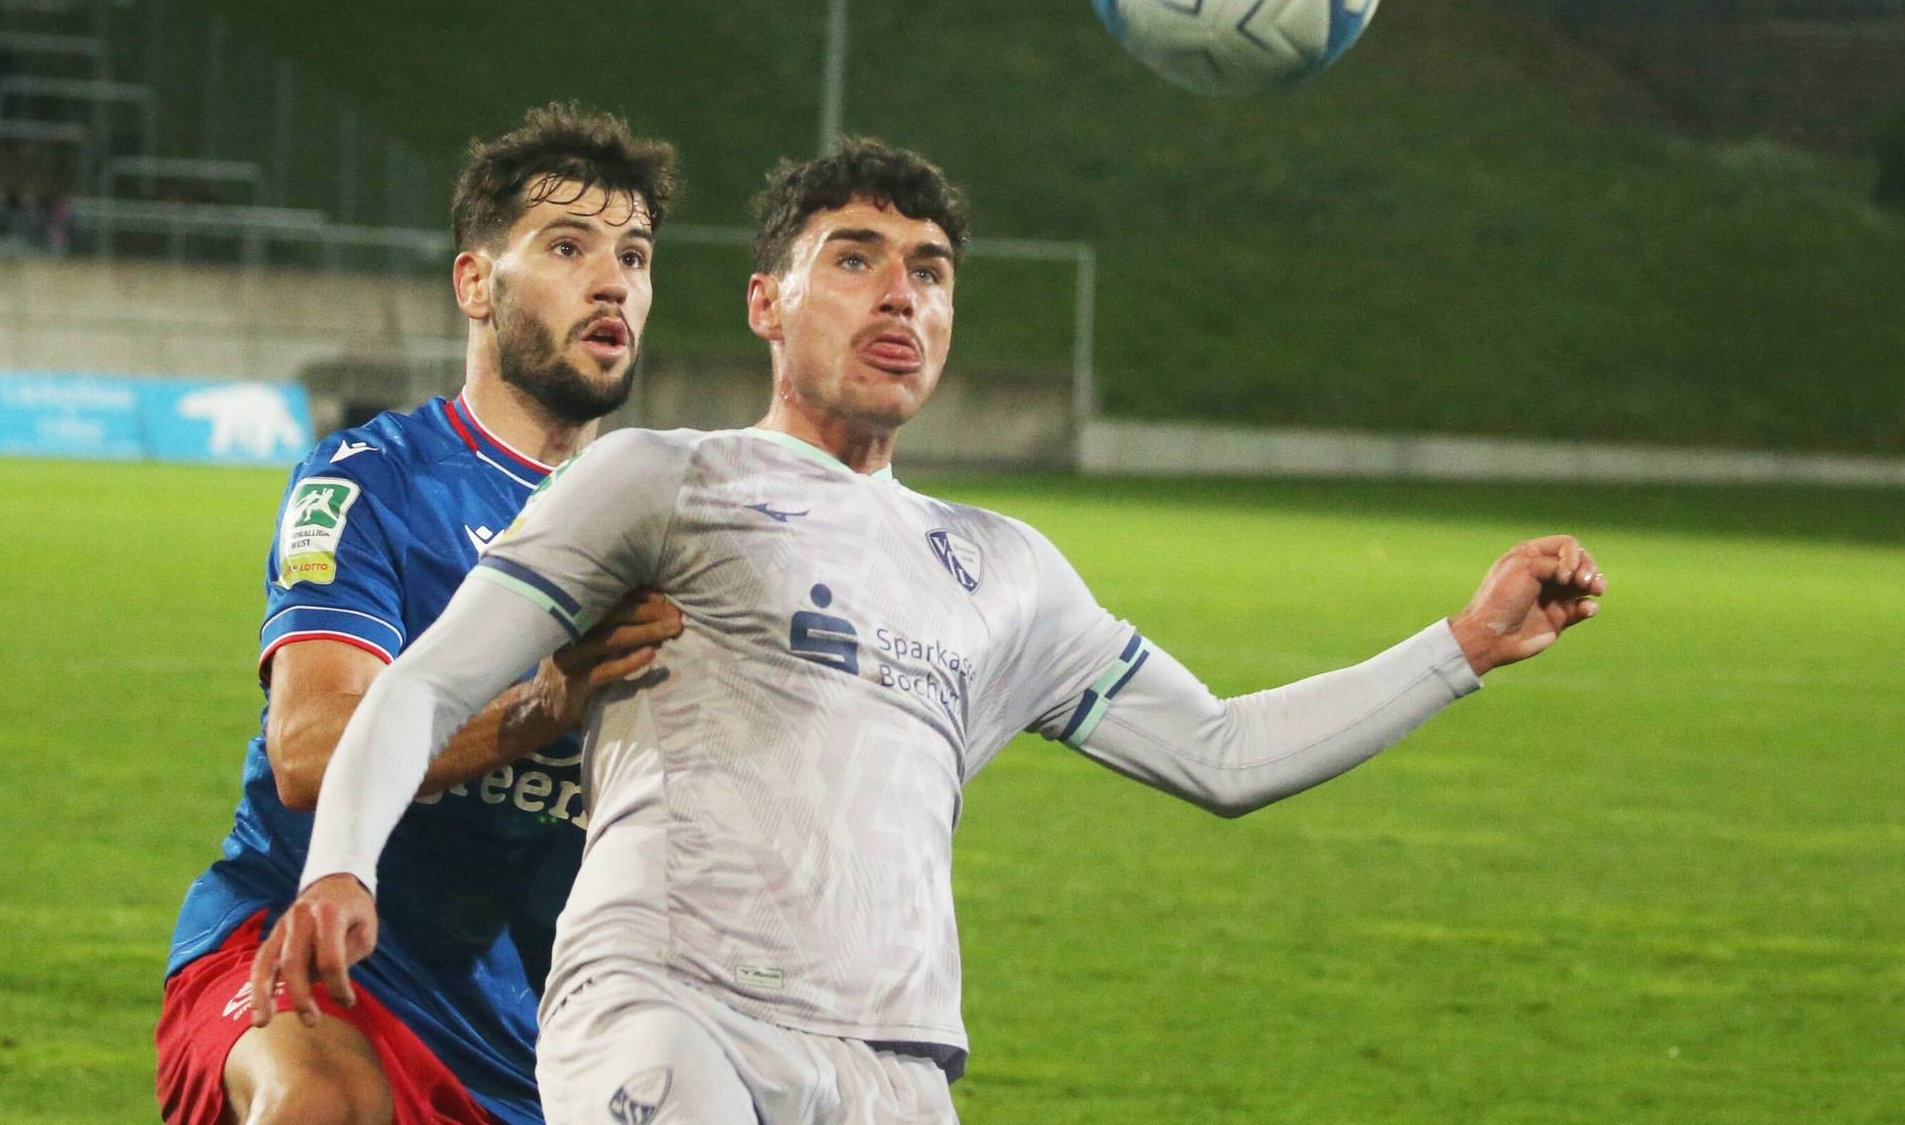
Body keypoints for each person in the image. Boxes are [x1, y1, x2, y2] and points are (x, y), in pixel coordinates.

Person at [258, 138, 1608, 1125]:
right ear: (765, 303)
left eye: (931, 271)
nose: (901, 296)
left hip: (898, 1066)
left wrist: (1462, 647)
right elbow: (427, 684)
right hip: (670, 1011)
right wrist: (338, 865)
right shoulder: (664, 478)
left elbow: (1225, 751)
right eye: (854, 260)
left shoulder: (1006, 572)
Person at [156, 103, 686, 1125]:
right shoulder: (373, 482)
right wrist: (540, 709)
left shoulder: (659, 530)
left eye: (635, 253)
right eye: (568, 246)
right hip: (310, 960)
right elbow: (312, 751)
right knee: (319, 1105)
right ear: (476, 283)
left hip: (527, 1031)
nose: (613, 278)